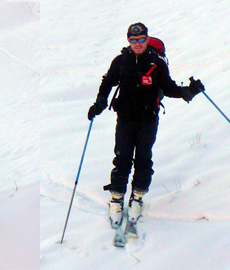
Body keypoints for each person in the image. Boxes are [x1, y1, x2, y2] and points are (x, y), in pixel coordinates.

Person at [87, 22, 205, 227]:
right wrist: (99, 102)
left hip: (148, 119)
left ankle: (137, 198)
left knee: (143, 158)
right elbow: (108, 82)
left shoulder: (156, 62)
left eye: (141, 39)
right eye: (133, 40)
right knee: (122, 157)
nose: (138, 43)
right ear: (128, 41)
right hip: (125, 118)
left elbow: (168, 87)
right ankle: (116, 199)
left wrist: (188, 92)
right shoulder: (120, 61)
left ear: (147, 39)